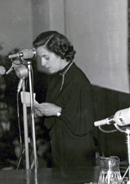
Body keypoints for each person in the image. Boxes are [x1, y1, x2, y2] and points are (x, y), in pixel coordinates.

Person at [32, 31, 95, 167]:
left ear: (60, 52)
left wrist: (57, 111)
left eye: (46, 57)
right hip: (60, 145)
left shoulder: (78, 81)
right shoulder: (57, 77)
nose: (42, 63)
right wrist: (43, 111)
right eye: (40, 58)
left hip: (77, 151)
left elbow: (83, 124)